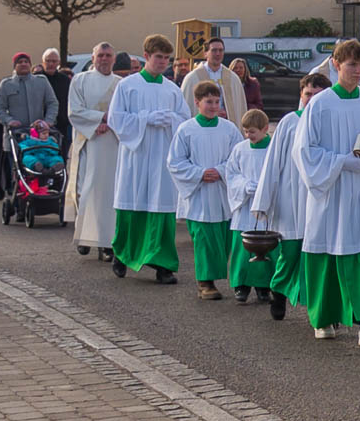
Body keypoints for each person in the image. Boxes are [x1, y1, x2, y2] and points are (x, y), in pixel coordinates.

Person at [294, 39, 360, 346]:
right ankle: (324, 318)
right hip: (330, 191)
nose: (357, 71)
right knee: (326, 253)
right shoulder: (320, 105)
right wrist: (340, 162)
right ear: (336, 65)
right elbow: (305, 151)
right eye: (351, 65)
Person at [106, 35, 188, 284]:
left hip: (162, 156)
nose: (163, 62)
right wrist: (144, 119)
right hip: (136, 156)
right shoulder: (127, 86)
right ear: (146, 56)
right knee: (133, 205)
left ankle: (163, 265)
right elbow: (115, 119)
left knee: (162, 208)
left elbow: (185, 122)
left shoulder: (172, 89)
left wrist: (171, 120)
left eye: (166, 58)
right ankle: (122, 254)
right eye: (158, 57)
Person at [251, 72, 330, 321]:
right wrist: (265, 201)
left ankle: (320, 306)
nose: (312, 100)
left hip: (320, 196)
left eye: (318, 95)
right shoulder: (289, 122)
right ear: (301, 95)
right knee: (291, 252)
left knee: (318, 256)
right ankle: (278, 289)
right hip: (291, 196)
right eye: (308, 94)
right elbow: (273, 162)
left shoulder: (331, 122)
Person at [169, 82, 245, 301]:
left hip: (222, 191)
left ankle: (226, 277)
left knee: (224, 238)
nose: (213, 106)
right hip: (199, 194)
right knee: (203, 238)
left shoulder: (229, 128)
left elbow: (239, 157)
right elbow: (175, 161)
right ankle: (205, 282)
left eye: (216, 101)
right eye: (208, 102)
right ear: (197, 102)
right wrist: (199, 173)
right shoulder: (186, 129)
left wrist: (220, 171)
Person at [65, 43, 121, 259]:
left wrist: (111, 123)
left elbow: (125, 112)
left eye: (108, 55)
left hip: (113, 144)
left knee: (109, 194)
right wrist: (98, 120)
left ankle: (107, 243)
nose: (104, 59)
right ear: (93, 57)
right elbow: (75, 111)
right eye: (100, 55)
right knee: (87, 190)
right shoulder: (80, 80)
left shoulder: (120, 84)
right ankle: (86, 235)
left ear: (113, 59)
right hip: (89, 142)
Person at [223, 108, 275, 305]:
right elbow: (232, 174)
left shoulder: (273, 149)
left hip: (266, 207)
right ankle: (241, 285)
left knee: (266, 247)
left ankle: (263, 287)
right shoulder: (240, 149)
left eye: (252, 131)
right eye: (245, 131)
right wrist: (245, 186)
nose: (248, 136)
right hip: (245, 206)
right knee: (242, 248)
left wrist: (265, 189)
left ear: (264, 129)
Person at [0, 52, 58, 193]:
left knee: (39, 168)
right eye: (20, 62)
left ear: (30, 64)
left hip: (38, 137)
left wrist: (47, 122)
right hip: (16, 138)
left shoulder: (41, 82)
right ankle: (19, 200)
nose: (23, 64)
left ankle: (40, 195)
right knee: (17, 172)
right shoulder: (6, 84)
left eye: (26, 62)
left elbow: (52, 103)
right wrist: (9, 121)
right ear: (15, 66)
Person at [181, 37, 246, 125]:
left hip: (226, 126)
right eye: (214, 50)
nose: (218, 54)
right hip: (202, 128)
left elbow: (240, 108)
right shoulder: (192, 78)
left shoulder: (232, 78)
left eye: (221, 50)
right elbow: (185, 108)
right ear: (205, 53)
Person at [38, 49, 73, 157]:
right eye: (48, 61)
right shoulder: (36, 79)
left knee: (60, 157)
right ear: (43, 62)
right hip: (39, 125)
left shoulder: (65, 80)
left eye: (54, 61)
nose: (51, 64)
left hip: (61, 125)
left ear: (58, 63)